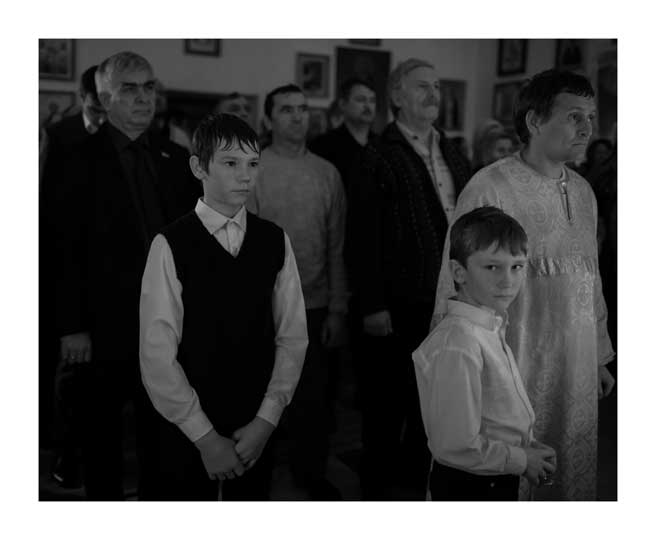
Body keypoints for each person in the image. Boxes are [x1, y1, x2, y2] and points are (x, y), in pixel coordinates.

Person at [432, 69, 615, 501]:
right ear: (535, 121)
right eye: (573, 116)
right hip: (514, 361)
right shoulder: (490, 186)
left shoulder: (584, 192)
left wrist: (597, 355)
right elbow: (456, 281)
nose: (587, 128)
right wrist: (465, 373)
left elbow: (589, 277)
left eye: (590, 116)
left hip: (576, 364)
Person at [53, 51, 200, 500]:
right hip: (102, 325)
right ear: (104, 98)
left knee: (164, 437)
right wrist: (72, 326)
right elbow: (60, 248)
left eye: (149, 87)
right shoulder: (74, 157)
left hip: (167, 323)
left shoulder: (175, 157)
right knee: (102, 442)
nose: (143, 97)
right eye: (129, 89)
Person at [139, 113, 308, 500]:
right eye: (230, 163)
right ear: (199, 167)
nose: (245, 176)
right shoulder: (170, 244)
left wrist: (267, 419)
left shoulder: (274, 240)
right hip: (187, 425)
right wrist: (204, 436)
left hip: (254, 418)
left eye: (253, 164)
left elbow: (293, 336)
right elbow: (156, 354)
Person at [349, 58, 471, 500]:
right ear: (397, 96)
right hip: (398, 303)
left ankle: (419, 491)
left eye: (437, 86)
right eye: (422, 86)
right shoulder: (377, 153)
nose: (433, 94)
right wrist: (372, 304)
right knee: (387, 408)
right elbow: (362, 237)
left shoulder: (453, 151)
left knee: (433, 405)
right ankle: (377, 497)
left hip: (449, 299)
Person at [413, 206, 557, 501]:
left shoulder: (489, 326)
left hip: (494, 475)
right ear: (459, 272)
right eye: (492, 267)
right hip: (469, 486)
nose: (508, 280)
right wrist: (521, 460)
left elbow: (495, 416)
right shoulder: (458, 344)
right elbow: (454, 445)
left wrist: (526, 448)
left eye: (517, 266)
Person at [248, 84, 348, 500]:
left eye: (303, 109)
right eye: (287, 109)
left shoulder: (327, 173)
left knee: (313, 404)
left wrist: (338, 306)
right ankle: (255, 483)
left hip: (315, 305)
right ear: (269, 118)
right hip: (264, 306)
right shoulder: (253, 168)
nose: (297, 116)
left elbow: (336, 244)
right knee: (261, 401)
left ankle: (310, 478)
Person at [40, 64, 107, 487]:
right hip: (64, 271)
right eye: (96, 108)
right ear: (83, 99)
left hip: (106, 275)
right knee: (67, 376)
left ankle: (86, 452)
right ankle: (63, 450)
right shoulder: (60, 136)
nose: (101, 117)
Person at [308, 77, 377, 187]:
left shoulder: (383, 145)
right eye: (361, 100)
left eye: (372, 100)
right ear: (343, 104)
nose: (368, 106)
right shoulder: (323, 145)